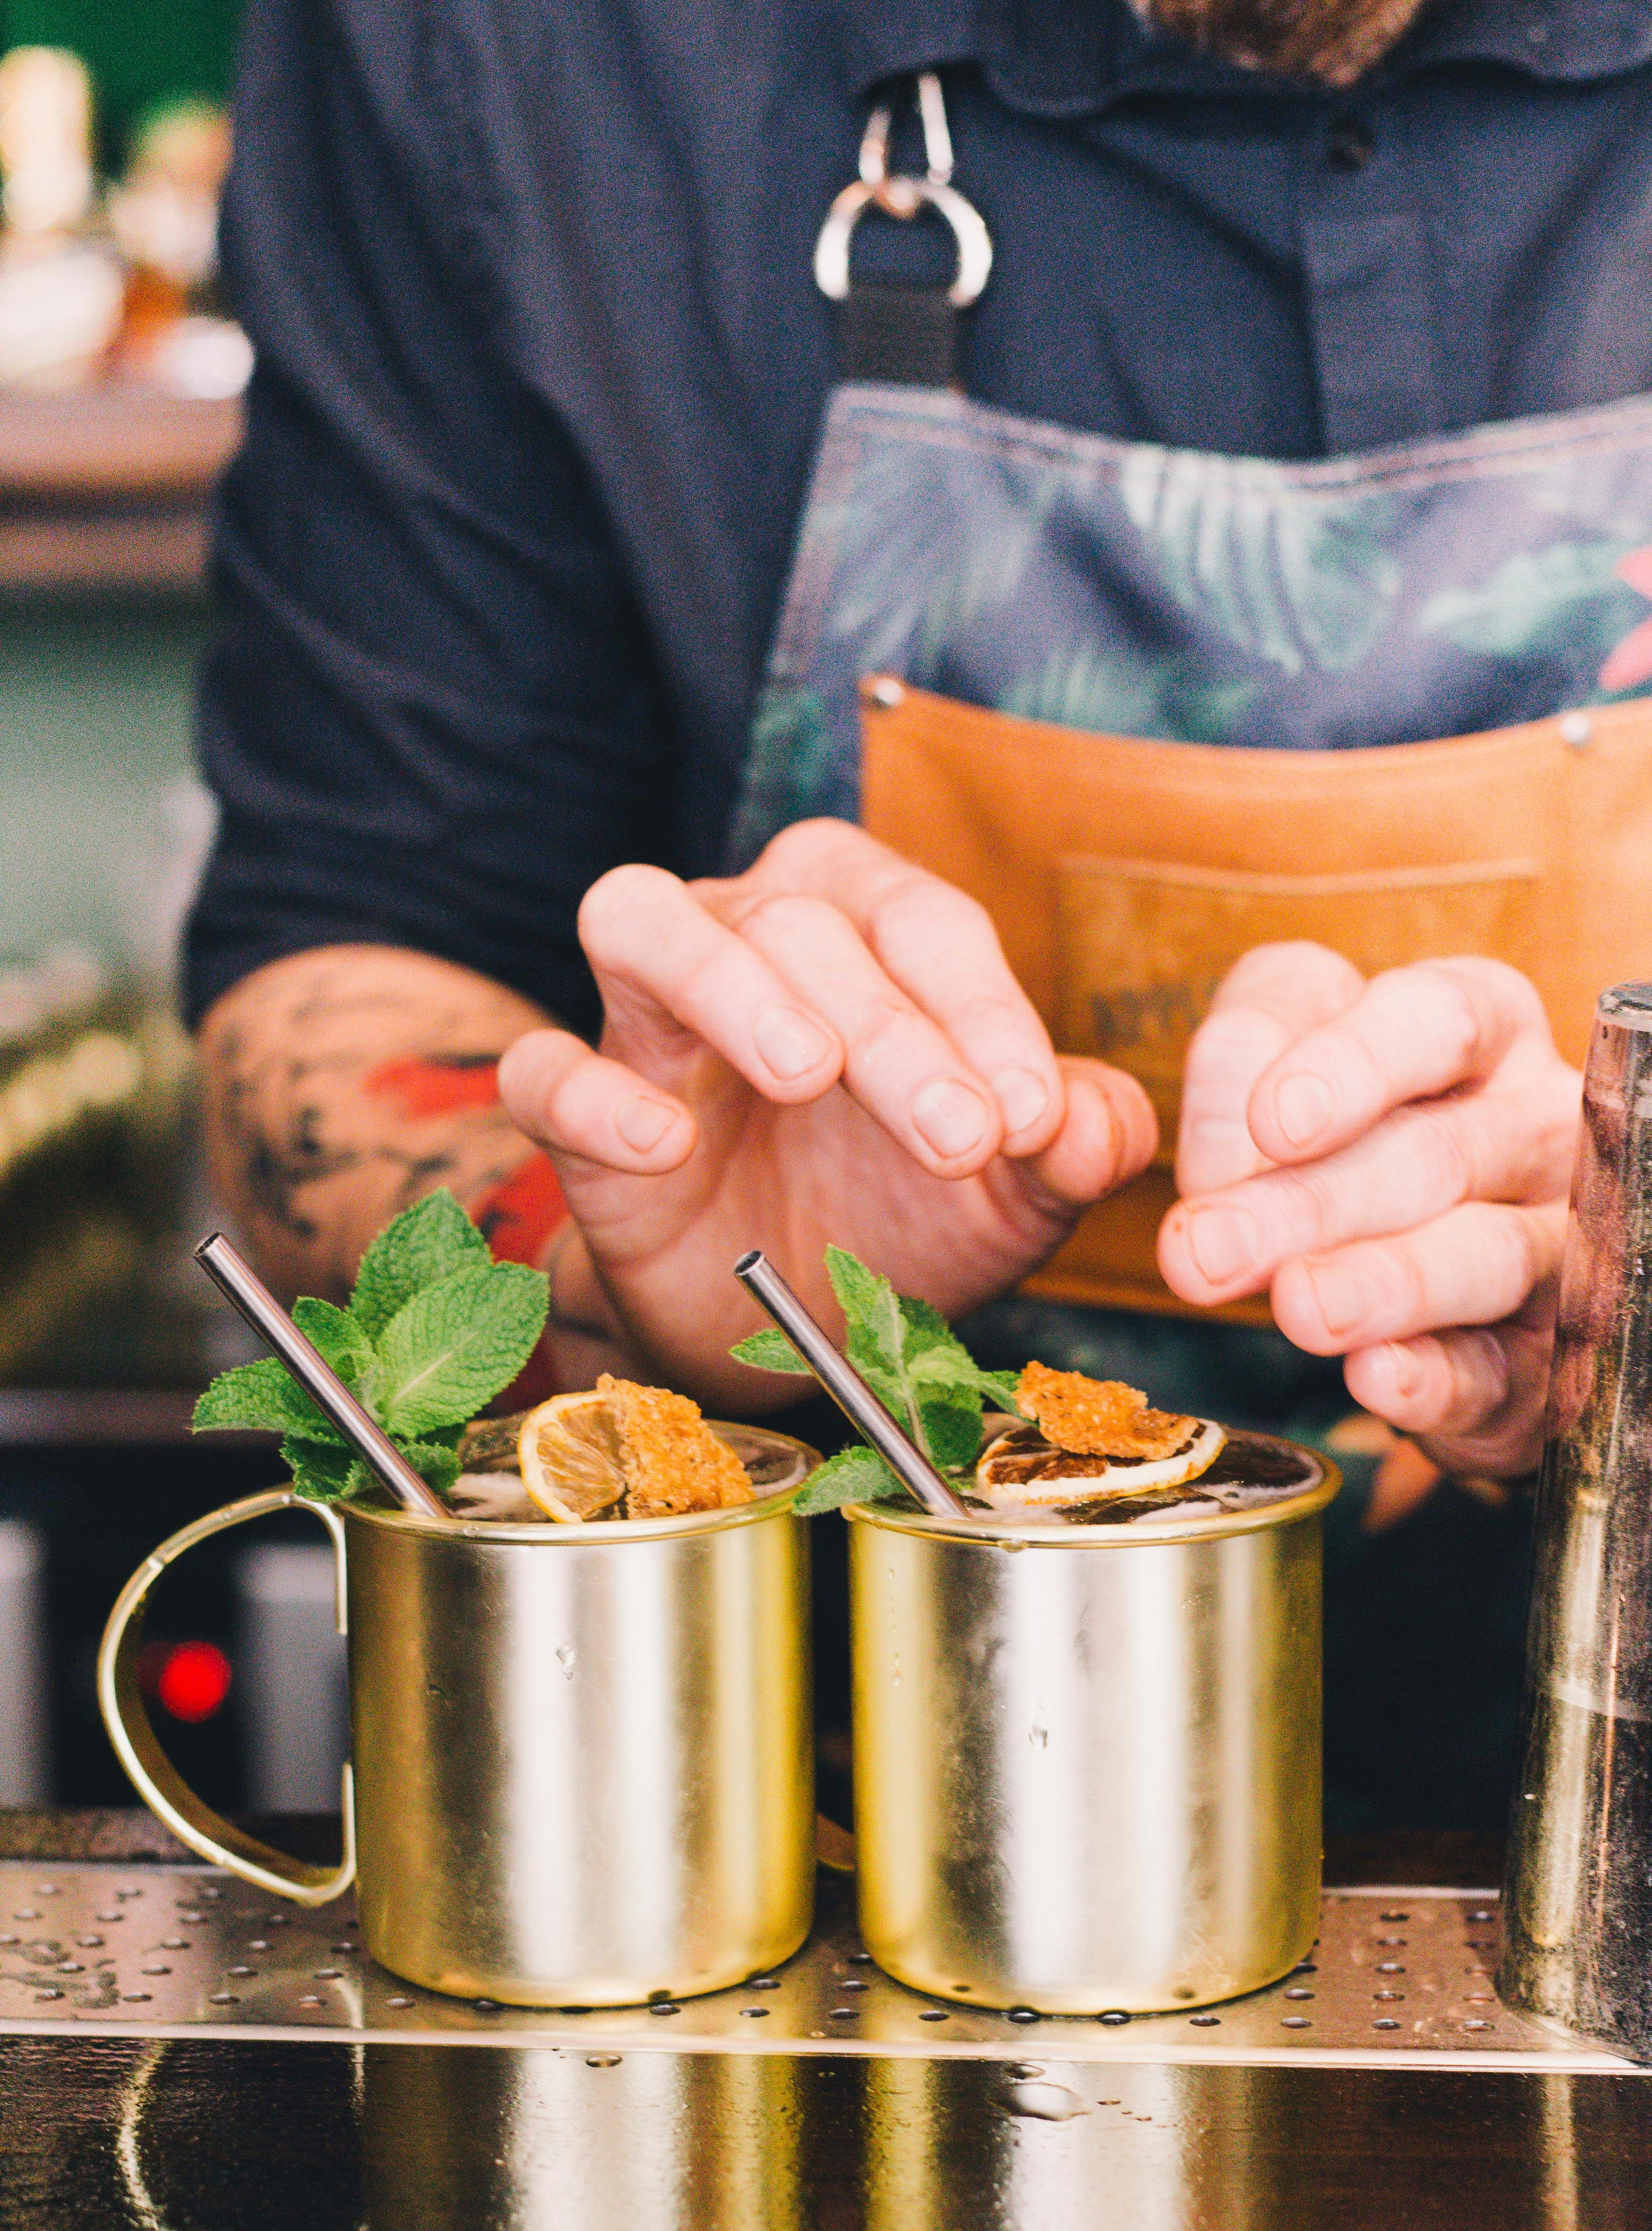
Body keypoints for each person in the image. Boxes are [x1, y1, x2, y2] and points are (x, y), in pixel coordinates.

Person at [186, 0, 1632, 1823]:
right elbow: (343, 947)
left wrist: (1615, 1284)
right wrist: (622, 1274)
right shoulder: (497, 47)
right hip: (780, 1859)